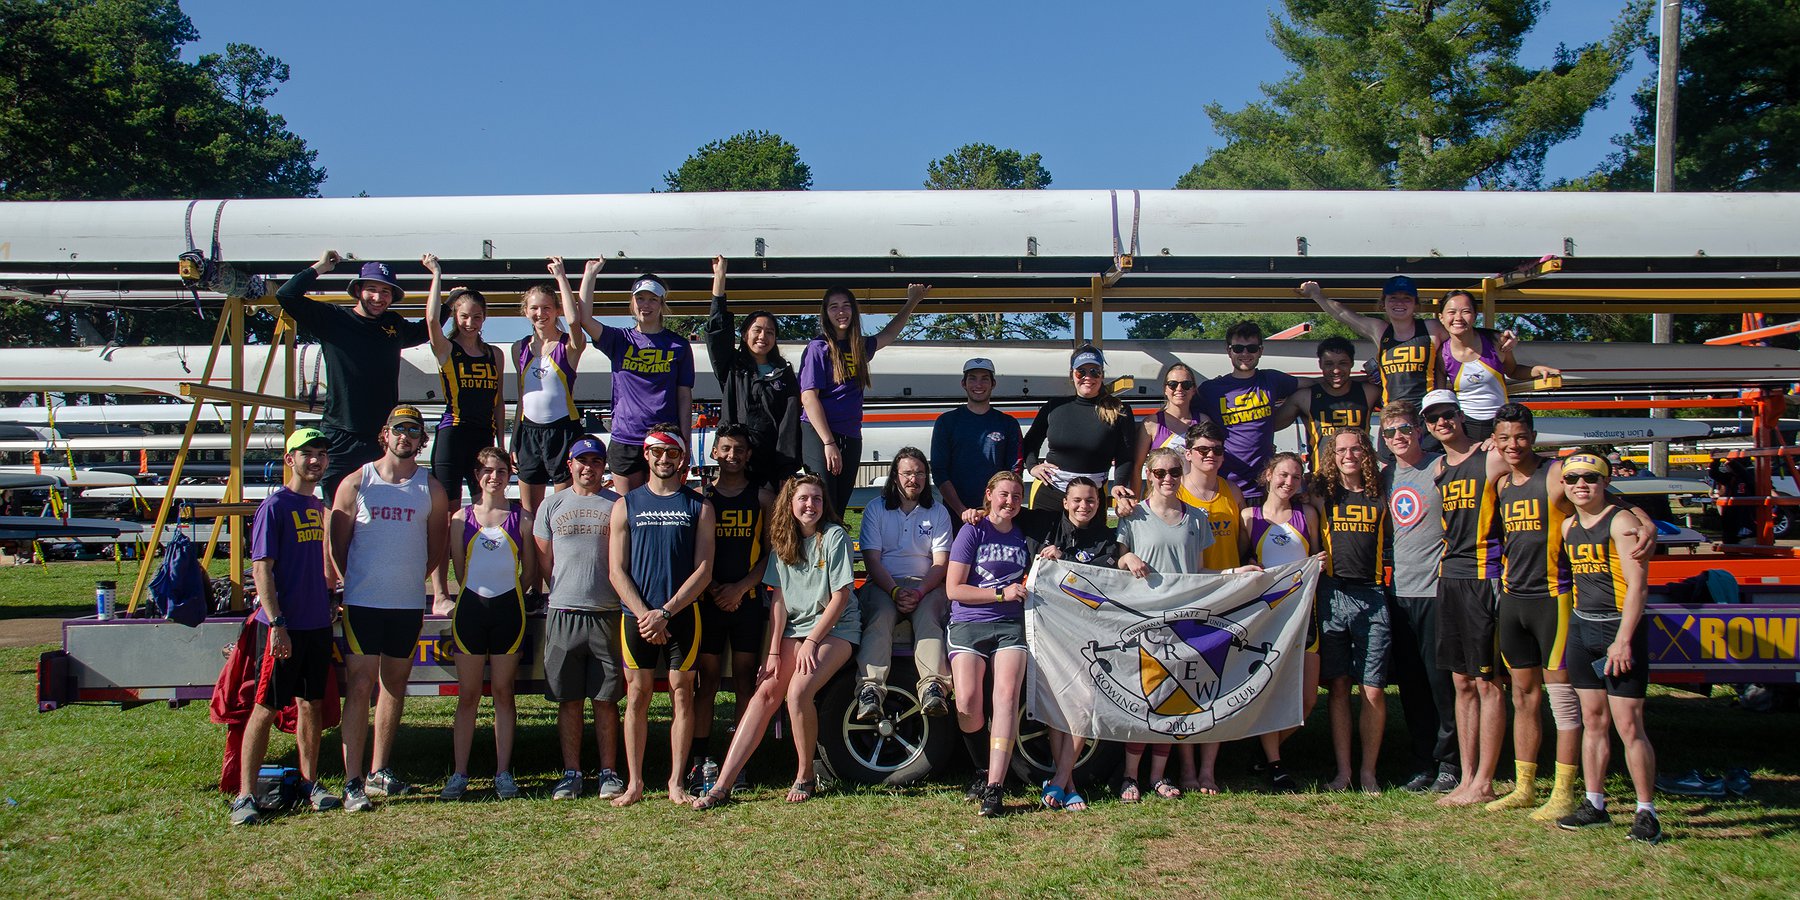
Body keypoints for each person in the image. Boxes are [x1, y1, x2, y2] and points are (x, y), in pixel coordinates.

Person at [1488, 404, 1656, 820]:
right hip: (1514, 598)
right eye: (1505, 437)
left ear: (1533, 435)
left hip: (1555, 599)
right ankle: (1524, 786)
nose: (1514, 444)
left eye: (1521, 436)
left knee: (1563, 701)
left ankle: (1565, 791)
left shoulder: (1557, 474)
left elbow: (1603, 496)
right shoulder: (1501, 480)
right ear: (1495, 438)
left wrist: (1644, 519)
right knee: (1522, 696)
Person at [692, 475, 859, 809]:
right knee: (766, 692)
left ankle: (804, 776)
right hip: (795, 630)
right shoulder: (782, 539)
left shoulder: (834, 536)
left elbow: (840, 596)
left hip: (836, 628)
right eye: (803, 499)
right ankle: (722, 784)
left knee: (798, 693)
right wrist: (773, 652)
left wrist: (812, 640)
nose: (810, 505)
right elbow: (779, 598)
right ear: (790, 503)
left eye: (817, 499)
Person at [330, 405, 449, 810]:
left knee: (394, 686)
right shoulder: (356, 482)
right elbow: (338, 543)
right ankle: (352, 779)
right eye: (399, 430)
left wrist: (408, 578)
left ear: (422, 440)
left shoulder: (430, 488)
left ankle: (380, 770)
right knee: (360, 686)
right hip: (363, 602)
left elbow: (436, 549)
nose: (406, 437)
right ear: (385, 434)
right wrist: (357, 579)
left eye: (414, 431)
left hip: (406, 604)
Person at [1116, 447, 1244, 802]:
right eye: (1160, 473)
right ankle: (1129, 776)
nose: (1168, 479)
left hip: (1186, 621)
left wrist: (1235, 573)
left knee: (1173, 701)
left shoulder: (1198, 519)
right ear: (1148, 476)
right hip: (1144, 620)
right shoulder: (1133, 516)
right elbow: (1114, 558)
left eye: (1174, 472)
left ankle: (1158, 776)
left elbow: (1199, 573)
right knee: (1142, 698)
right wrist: (1125, 555)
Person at [229, 427, 342, 825]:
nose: (315, 460)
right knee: (265, 706)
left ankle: (310, 782)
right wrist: (276, 622)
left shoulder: (317, 507)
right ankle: (245, 795)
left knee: (310, 704)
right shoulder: (274, 507)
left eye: (321, 454)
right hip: (283, 627)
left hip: (315, 624)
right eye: (306, 453)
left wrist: (331, 599)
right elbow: (261, 569)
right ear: (289, 460)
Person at [1554, 454, 1663, 844]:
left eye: (1590, 478)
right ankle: (1594, 803)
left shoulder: (1622, 522)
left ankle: (1646, 810)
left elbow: (1639, 586)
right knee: (1593, 721)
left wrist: (1623, 640)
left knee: (1630, 725)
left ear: (1605, 482)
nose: (1580, 485)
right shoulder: (1568, 526)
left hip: (1619, 628)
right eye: (1572, 478)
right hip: (1584, 627)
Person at [608, 426, 715, 806]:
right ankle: (635, 782)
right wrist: (645, 615)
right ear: (646, 455)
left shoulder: (699, 505)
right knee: (636, 695)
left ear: (682, 459)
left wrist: (666, 612)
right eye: (657, 453)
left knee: (682, 694)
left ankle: (675, 782)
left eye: (672, 454)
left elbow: (704, 570)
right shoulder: (625, 504)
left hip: (682, 615)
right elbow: (616, 570)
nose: (664, 460)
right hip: (636, 618)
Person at [276, 251, 429, 499]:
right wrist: (321, 267)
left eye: (386, 292)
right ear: (358, 290)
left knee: (378, 507)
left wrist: (450, 301)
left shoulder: (393, 324)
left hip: (381, 436)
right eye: (372, 289)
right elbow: (286, 296)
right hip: (340, 433)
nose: (378, 297)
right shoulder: (333, 319)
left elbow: (426, 330)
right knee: (335, 508)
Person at [1421, 389, 1508, 808]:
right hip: (1449, 576)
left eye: (1447, 414)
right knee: (1461, 681)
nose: (1441, 422)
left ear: (1460, 415)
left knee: (1487, 682)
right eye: (1433, 418)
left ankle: (1485, 780)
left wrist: (1630, 511)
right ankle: (1467, 775)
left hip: (1484, 575)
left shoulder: (1489, 457)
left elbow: (1546, 474)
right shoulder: (1439, 467)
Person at [1015, 477, 1120, 811]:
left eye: (1090, 501)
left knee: (1084, 703)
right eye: (1076, 500)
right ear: (1064, 501)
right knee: (1058, 704)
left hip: (1089, 636)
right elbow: (1002, 510)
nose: (1083, 506)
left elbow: (1101, 584)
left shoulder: (1106, 538)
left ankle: (1060, 779)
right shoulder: (1044, 525)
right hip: (1049, 632)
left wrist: (1067, 562)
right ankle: (1068, 783)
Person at [533, 436, 627, 802]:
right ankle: (571, 773)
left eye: (596, 461)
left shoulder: (617, 504)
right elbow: (544, 559)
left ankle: (608, 772)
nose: (589, 467)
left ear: (605, 466)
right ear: (570, 465)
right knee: (568, 699)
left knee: (606, 699)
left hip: (606, 613)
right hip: (564, 612)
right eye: (581, 461)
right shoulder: (552, 505)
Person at [439, 448, 535, 802]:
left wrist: (510, 594)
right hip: (471, 614)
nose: (494, 477)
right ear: (476, 475)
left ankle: (503, 773)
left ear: (509, 474)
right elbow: (460, 571)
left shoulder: (522, 518)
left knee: (503, 694)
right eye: (487, 471)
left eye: (500, 471)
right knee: (468, 696)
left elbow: (530, 573)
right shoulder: (460, 519)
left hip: (509, 612)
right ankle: (460, 773)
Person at [1377, 401, 1460, 794]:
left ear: (1420, 430)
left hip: (1436, 589)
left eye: (1405, 430)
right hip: (1398, 591)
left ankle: (1451, 762)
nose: (1398, 438)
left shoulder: (1441, 467)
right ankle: (1423, 760)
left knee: (1439, 681)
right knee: (1410, 684)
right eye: (1390, 432)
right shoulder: (1384, 475)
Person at [691, 424, 775, 795]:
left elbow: (773, 554)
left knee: (745, 681)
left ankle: (738, 763)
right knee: (705, 682)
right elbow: (691, 556)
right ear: (714, 453)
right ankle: (699, 759)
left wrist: (741, 588)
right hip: (709, 603)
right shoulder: (700, 497)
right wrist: (712, 589)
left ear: (748, 455)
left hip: (747, 602)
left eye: (739, 449)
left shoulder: (762, 498)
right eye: (725, 448)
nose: (732, 455)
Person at [945, 471, 1035, 817]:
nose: (1010, 501)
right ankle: (983, 769)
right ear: (989, 494)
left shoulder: (1023, 532)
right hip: (969, 621)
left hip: (1010, 624)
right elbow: (954, 589)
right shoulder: (973, 530)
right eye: (1004, 495)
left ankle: (995, 788)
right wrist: (1000, 593)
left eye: (1016, 495)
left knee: (1006, 697)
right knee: (967, 701)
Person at [421, 254, 505, 613]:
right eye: (464, 315)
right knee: (446, 514)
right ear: (455, 316)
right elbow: (428, 320)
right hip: (452, 436)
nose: (471, 322)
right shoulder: (447, 348)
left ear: (485, 318)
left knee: (484, 511)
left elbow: (500, 402)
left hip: (483, 440)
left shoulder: (494, 354)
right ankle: (440, 593)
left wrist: (502, 443)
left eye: (476, 316)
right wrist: (437, 276)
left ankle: (479, 583)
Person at [799, 283, 928, 516]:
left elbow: (888, 334)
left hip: (850, 434)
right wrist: (828, 443)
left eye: (846, 306)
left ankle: (833, 549)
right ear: (825, 313)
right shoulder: (818, 348)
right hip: (820, 434)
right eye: (834, 307)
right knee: (821, 501)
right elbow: (808, 397)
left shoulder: (858, 346)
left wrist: (912, 302)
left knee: (838, 506)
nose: (841, 312)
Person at [1314, 429, 1390, 794]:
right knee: (1339, 686)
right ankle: (1343, 772)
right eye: (1340, 450)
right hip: (1331, 593)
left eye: (1355, 448)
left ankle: (1369, 772)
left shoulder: (1382, 492)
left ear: (1366, 452)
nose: (1348, 455)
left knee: (1373, 689)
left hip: (1372, 594)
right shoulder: (1322, 493)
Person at [1240, 452, 1321, 792]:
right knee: (1269, 694)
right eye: (1283, 475)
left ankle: (1261, 747)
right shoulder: (1249, 516)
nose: (1289, 483)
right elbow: (1243, 560)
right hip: (1267, 619)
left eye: (1296, 477)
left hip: (1304, 614)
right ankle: (1275, 764)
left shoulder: (1308, 515)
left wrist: (1321, 562)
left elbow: (1316, 556)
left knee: (1307, 699)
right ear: (1268, 475)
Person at [854, 448, 954, 722]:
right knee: (881, 616)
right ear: (895, 477)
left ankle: (934, 688)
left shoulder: (938, 512)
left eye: (920, 473)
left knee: (930, 618)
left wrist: (920, 591)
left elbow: (941, 562)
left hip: (927, 585)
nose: (914, 479)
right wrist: (896, 591)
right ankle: (870, 690)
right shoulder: (876, 508)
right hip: (884, 584)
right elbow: (873, 560)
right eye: (908, 473)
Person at [1175, 420, 1247, 795]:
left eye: (1216, 450)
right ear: (1188, 454)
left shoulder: (1232, 491)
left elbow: (1246, 543)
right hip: (1189, 598)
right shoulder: (1176, 491)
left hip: (1228, 597)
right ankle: (1186, 767)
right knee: (1188, 684)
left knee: (1220, 684)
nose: (1210, 456)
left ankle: (1208, 770)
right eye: (1202, 450)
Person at [581, 265, 696, 495]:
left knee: (662, 507)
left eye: (653, 299)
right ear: (633, 303)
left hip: (664, 438)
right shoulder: (619, 339)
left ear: (662, 304)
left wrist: (685, 441)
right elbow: (584, 319)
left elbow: (684, 396)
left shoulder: (678, 345)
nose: (646, 305)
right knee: (629, 508)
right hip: (626, 437)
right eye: (640, 298)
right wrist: (590, 275)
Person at [704, 256, 801, 490]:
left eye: (770, 332)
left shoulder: (783, 373)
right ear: (745, 334)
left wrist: (786, 468)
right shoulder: (732, 368)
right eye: (757, 330)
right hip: (736, 463)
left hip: (773, 466)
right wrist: (720, 279)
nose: (763, 336)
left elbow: (789, 423)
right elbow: (718, 332)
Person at [1021, 344, 1137, 513]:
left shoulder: (1119, 410)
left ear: (1102, 375)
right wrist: (1032, 466)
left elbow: (1125, 455)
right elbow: (1030, 442)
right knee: (1043, 540)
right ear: (1072, 375)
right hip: (1050, 493)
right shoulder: (1054, 407)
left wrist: (1119, 483)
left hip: (1091, 499)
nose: (1088, 377)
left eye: (1094, 371)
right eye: (1081, 372)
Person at [1299, 276, 1445, 411]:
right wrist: (1315, 295)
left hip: (1427, 414)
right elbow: (1342, 314)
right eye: (1393, 298)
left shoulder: (1432, 328)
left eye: (1406, 298)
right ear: (1383, 303)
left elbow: (1462, 341)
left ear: (1416, 304)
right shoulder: (1380, 330)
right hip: (1393, 416)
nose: (1399, 303)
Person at [511, 261, 586, 518]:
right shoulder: (519, 348)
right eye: (534, 308)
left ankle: (558, 559)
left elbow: (575, 321)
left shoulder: (569, 346)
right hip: (529, 433)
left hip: (562, 430)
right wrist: (514, 439)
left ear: (556, 311)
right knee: (528, 514)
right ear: (525, 311)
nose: (540, 313)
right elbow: (522, 398)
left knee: (560, 511)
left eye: (546, 308)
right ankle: (532, 560)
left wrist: (561, 278)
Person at [1198, 322, 1300, 502]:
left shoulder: (1271, 380)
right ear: (1229, 351)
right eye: (1238, 348)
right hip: (1224, 486)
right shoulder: (1210, 389)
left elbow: (1317, 386)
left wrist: (1363, 380)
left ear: (1260, 350)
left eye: (1251, 348)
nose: (1245, 354)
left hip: (1265, 488)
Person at [1437, 291, 1558, 440]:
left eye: (1466, 311)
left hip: (1501, 421)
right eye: (1451, 312)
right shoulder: (1442, 354)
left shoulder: (1496, 341)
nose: (1458, 318)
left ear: (1475, 316)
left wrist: (1537, 370)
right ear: (1441, 318)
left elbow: (1513, 370)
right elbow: (1442, 397)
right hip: (1466, 426)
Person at [932, 357, 1022, 524]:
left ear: (993, 384)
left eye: (984, 379)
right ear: (963, 383)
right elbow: (939, 471)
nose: (978, 385)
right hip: (956, 517)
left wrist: (992, 509)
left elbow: (1014, 471)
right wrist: (962, 510)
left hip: (997, 516)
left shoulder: (1008, 423)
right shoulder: (946, 422)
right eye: (972, 378)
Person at [1271, 336, 1380, 468]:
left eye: (1342, 363)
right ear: (1320, 364)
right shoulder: (1304, 397)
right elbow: (1266, 427)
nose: (1336, 370)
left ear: (1352, 363)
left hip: (1361, 477)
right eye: (1329, 364)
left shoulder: (1369, 392)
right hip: (1322, 480)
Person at [1131, 362, 1200, 498]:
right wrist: (1135, 502)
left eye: (1186, 385)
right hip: (1159, 501)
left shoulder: (1203, 421)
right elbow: (1137, 467)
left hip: (1194, 500)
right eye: (1173, 384)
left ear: (1193, 389)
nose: (1179, 389)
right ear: (1165, 389)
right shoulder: (1151, 424)